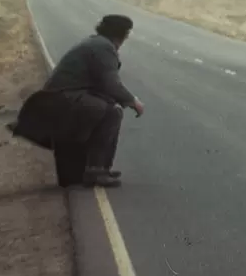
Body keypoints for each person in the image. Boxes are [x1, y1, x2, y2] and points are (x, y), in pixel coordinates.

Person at [9, 14, 144, 188]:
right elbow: (110, 83)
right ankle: (96, 171)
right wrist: (133, 102)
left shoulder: (97, 43)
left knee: (109, 109)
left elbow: (102, 85)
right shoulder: (103, 48)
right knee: (110, 113)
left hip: (59, 98)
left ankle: (98, 168)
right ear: (122, 34)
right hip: (62, 99)